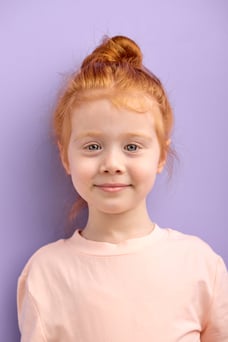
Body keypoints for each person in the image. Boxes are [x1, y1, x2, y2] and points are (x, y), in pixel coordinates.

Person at [17, 35, 228, 341]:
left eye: (132, 146)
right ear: (66, 157)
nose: (112, 163)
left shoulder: (200, 265)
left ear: (161, 156)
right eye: (92, 146)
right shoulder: (45, 273)